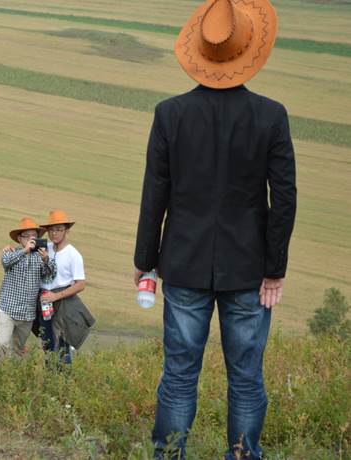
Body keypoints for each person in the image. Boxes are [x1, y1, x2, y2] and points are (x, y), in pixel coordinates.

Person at [133, 0, 296, 458]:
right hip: (250, 270)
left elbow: (155, 194)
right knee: (246, 377)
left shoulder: (170, 114)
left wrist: (146, 260)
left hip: (183, 264)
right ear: (249, 51)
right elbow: (283, 200)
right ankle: (243, 455)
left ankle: (168, 456)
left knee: (179, 373)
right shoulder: (271, 116)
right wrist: (275, 269)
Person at [36, 210, 94, 365]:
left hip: (62, 303)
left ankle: (64, 381)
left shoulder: (73, 254)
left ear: (66, 230)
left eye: (59, 229)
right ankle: (51, 380)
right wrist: (9, 249)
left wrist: (56, 296)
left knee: (62, 344)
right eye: (51, 230)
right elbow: (25, 248)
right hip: (43, 300)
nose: (54, 233)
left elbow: (80, 284)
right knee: (47, 343)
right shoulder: (44, 248)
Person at [0, 217, 56, 360]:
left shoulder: (40, 257)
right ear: (19, 238)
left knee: (18, 350)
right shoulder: (10, 252)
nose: (31, 239)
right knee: (2, 344)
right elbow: (5, 262)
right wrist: (24, 251)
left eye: (34, 236)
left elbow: (49, 275)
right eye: (26, 236)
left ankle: (14, 379)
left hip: (27, 314)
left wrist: (47, 259)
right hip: (7, 309)